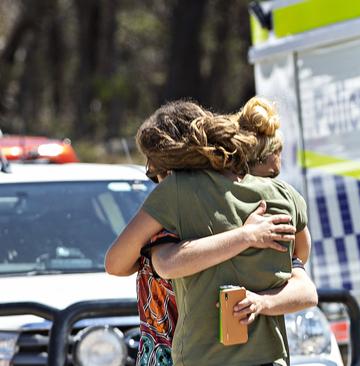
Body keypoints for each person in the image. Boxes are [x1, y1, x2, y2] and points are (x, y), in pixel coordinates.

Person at [105, 97, 316, 365]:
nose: (152, 175)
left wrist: (245, 239)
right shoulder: (281, 197)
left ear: (168, 161)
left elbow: (128, 263)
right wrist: (246, 239)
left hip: (185, 354)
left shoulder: (175, 199)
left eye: (152, 168)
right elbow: (301, 261)